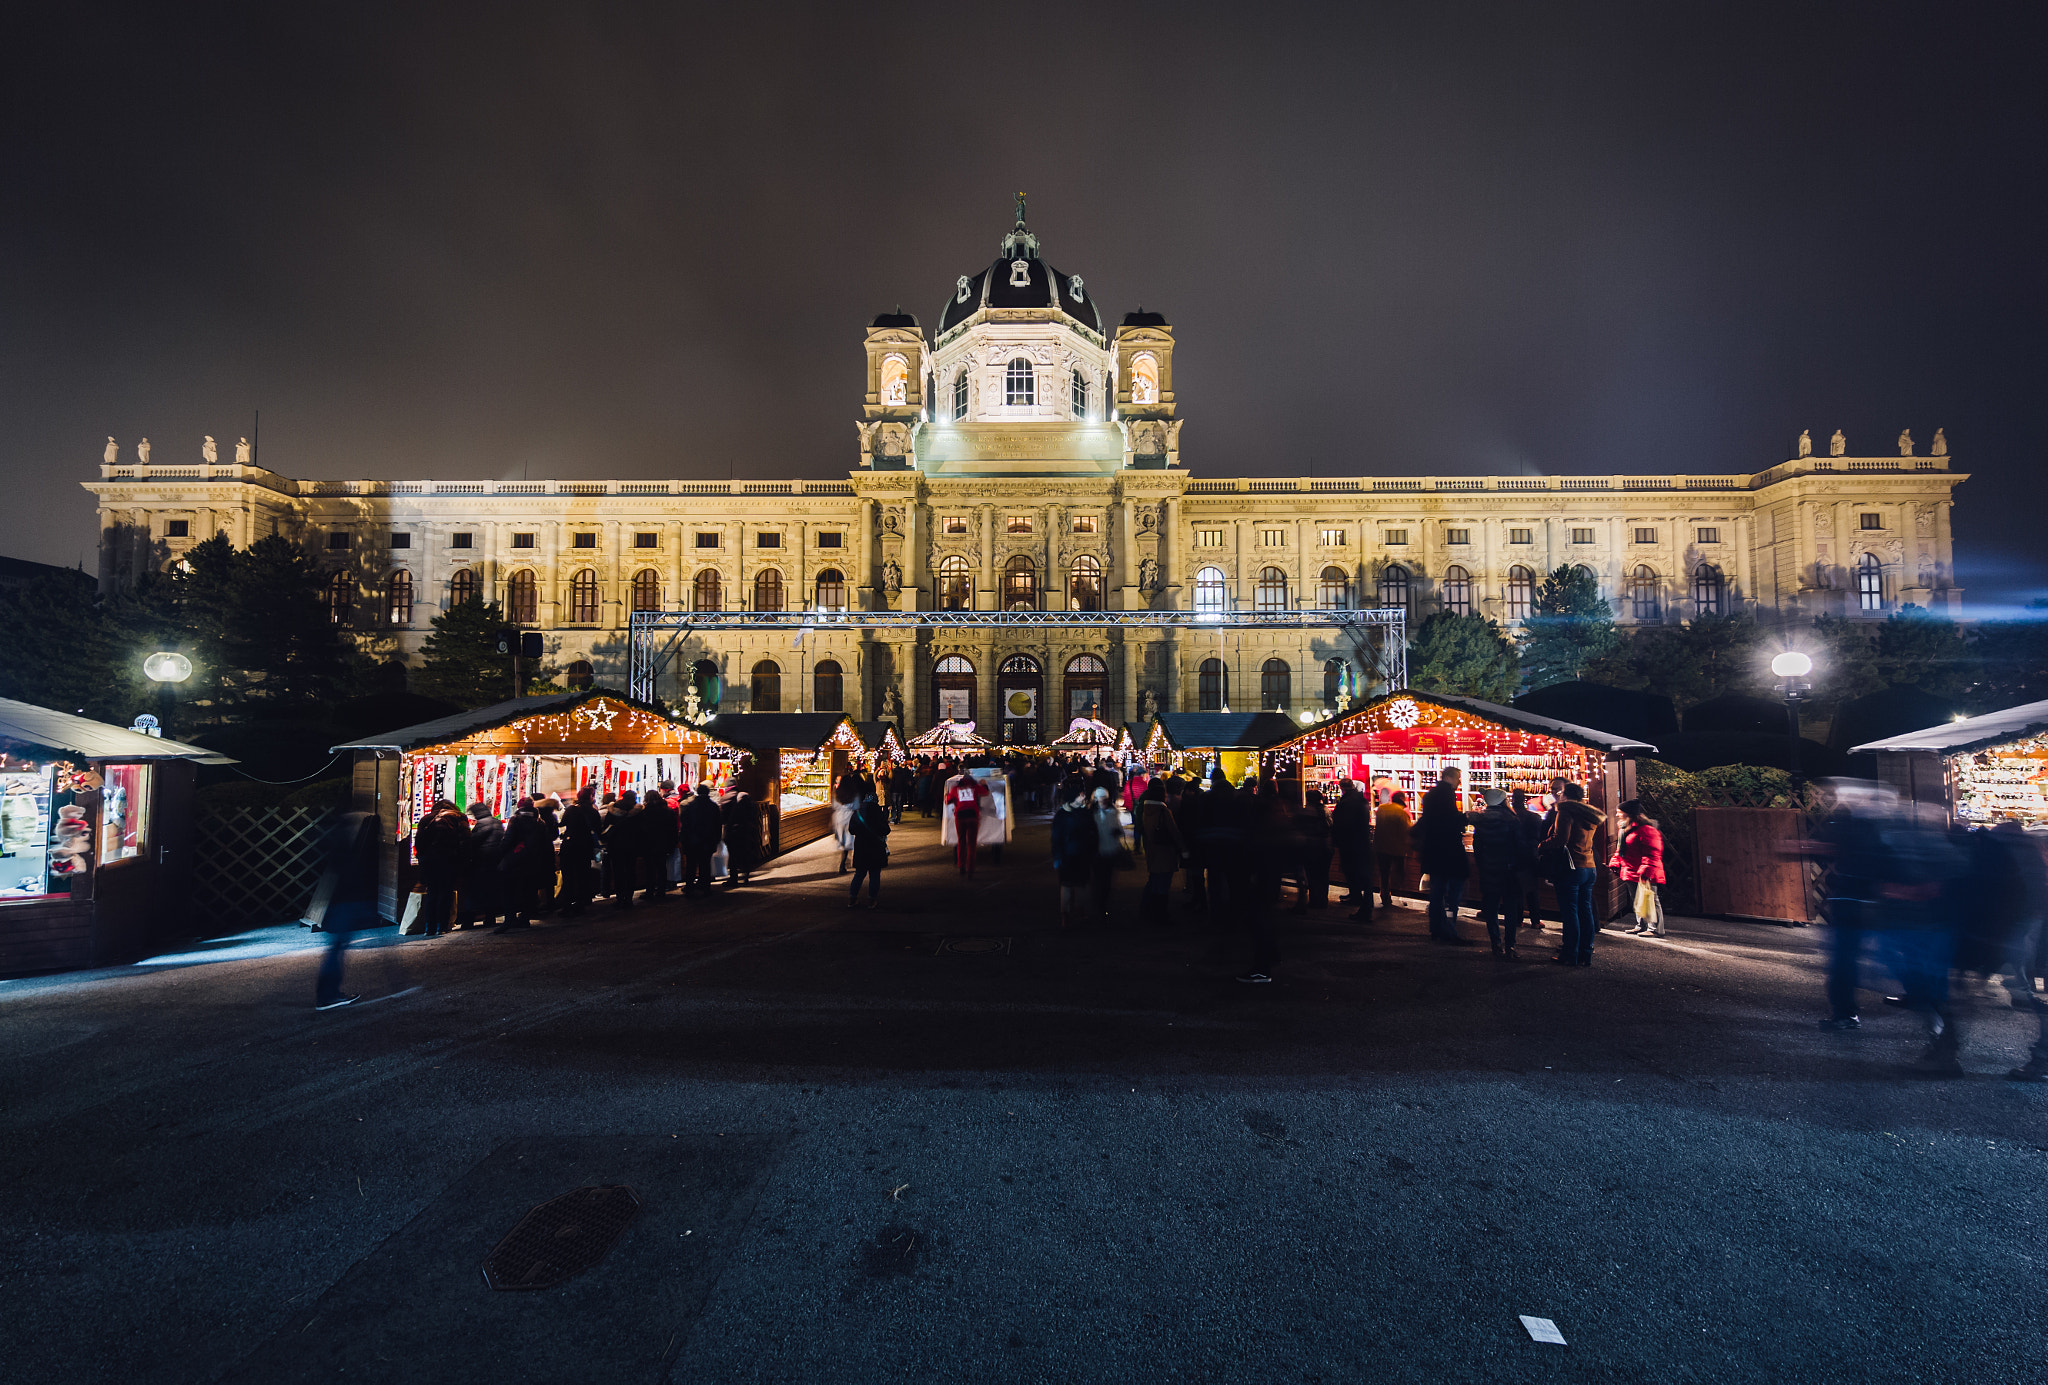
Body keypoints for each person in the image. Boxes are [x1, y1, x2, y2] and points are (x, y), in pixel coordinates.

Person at [315, 811, 378, 1009]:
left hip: (337, 901)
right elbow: (349, 874)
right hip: (344, 901)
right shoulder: (342, 844)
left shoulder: (331, 840)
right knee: (337, 949)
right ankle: (328, 995)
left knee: (336, 948)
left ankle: (328, 993)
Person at [1542, 782, 1604, 967]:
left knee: (1570, 912)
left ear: (1565, 795)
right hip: (1589, 866)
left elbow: (1561, 839)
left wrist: (1541, 845)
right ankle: (1585, 953)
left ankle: (1570, 953)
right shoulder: (1590, 814)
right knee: (1585, 911)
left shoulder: (1566, 811)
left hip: (1571, 867)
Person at [1471, 788, 1531, 958]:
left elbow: (1478, 848)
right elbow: (1520, 846)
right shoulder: (1512, 820)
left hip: (1489, 869)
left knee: (1491, 908)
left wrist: (1483, 865)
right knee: (1511, 909)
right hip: (1508, 869)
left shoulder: (1481, 821)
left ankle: (1496, 944)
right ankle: (1510, 945)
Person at [1415, 768, 1471, 944]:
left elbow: (1429, 821)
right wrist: (1466, 818)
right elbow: (1449, 820)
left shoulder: (1430, 795)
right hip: (1449, 854)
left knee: (1437, 894)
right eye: (1458, 778)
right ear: (1450, 777)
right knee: (1451, 897)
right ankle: (1449, 931)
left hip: (1433, 853)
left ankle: (1436, 929)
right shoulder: (1447, 794)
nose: (1459, 782)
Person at [494, 796, 554, 931]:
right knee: (528, 891)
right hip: (533, 862)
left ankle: (509, 919)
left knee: (509, 891)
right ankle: (525, 918)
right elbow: (545, 842)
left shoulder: (516, 820)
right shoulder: (540, 822)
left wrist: (500, 854)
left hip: (514, 861)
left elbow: (507, 840)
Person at [411, 799, 468, 938]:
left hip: (429, 862)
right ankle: (442, 926)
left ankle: (429, 927)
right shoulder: (458, 818)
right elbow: (465, 841)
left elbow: (418, 842)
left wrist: (423, 858)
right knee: (446, 893)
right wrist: (463, 860)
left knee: (432, 893)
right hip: (449, 860)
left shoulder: (426, 819)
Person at [1050, 777, 1098, 929]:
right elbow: (1056, 838)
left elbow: (1093, 832)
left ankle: (1080, 910)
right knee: (1068, 885)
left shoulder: (1082, 812)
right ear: (1074, 797)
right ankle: (1066, 913)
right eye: (1081, 794)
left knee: (1081, 884)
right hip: (1068, 855)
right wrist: (1057, 857)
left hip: (1081, 854)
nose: (1083, 796)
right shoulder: (1063, 815)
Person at [1613, 799, 1666, 937]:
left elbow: (1653, 852)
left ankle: (1655, 928)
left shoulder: (1647, 830)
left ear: (1628, 814)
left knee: (1651, 899)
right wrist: (1615, 861)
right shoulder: (1624, 827)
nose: (1617, 814)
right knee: (1637, 898)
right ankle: (1641, 925)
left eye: (1620, 812)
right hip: (1631, 869)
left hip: (1645, 871)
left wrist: (1646, 870)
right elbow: (1620, 848)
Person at [1137, 779, 1184, 927]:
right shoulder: (1164, 812)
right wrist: (1183, 849)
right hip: (1165, 852)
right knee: (1163, 883)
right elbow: (1174, 832)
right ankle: (1161, 913)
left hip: (1152, 850)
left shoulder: (1146, 810)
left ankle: (1149, 909)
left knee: (1155, 880)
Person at [1330, 778, 1374, 919]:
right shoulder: (1361, 800)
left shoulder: (1346, 802)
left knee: (1352, 871)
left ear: (1342, 787)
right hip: (1362, 841)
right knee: (1364, 874)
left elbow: (1339, 822)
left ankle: (1359, 900)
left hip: (1350, 842)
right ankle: (1364, 902)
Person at [458, 801, 506, 929]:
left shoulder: (482, 825)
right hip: (495, 863)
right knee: (491, 892)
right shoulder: (497, 823)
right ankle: (490, 919)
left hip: (480, 864)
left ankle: (468, 921)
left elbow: (472, 843)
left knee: (474, 893)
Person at [558, 784, 602, 914]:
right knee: (583, 875)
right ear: (591, 797)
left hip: (570, 846)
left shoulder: (571, 809)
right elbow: (598, 829)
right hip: (585, 846)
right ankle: (582, 902)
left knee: (568, 876)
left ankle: (567, 904)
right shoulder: (593, 811)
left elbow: (562, 824)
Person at [847, 787, 891, 908]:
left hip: (861, 846)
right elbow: (886, 830)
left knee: (859, 874)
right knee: (875, 874)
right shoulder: (879, 812)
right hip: (875, 847)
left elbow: (851, 830)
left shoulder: (857, 812)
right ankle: (872, 900)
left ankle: (852, 899)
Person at [638, 781, 681, 902]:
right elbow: (673, 829)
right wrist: (672, 843)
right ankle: (661, 890)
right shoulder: (667, 811)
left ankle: (650, 891)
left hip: (649, 845)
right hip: (663, 844)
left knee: (650, 869)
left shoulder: (645, 812)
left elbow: (641, 830)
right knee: (662, 867)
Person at [1510, 789, 1547, 929]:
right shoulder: (1535, 818)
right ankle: (1535, 920)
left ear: (1512, 800)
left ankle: (1518, 919)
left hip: (1515, 857)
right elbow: (1541, 836)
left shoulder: (1509, 817)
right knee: (1532, 889)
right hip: (1531, 855)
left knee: (1517, 890)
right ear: (1524, 800)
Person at [1291, 788, 1332, 913]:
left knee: (1312, 874)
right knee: (1324, 875)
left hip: (1312, 846)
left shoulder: (1307, 811)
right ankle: (1323, 900)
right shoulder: (1326, 810)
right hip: (1326, 846)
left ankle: (1315, 900)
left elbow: (1299, 827)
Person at [679, 783, 724, 896]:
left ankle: (689, 886)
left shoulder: (690, 806)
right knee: (705, 864)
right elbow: (718, 825)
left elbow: (685, 824)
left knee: (691, 865)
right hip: (707, 841)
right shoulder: (713, 807)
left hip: (692, 840)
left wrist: (684, 839)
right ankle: (705, 886)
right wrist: (716, 840)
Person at [1090, 785, 1126, 922]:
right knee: (1100, 879)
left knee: (1105, 880)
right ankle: (1100, 905)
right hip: (1098, 851)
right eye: (1100, 798)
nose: (1102, 800)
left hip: (1110, 850)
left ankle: (1102, 904)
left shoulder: (1112, 812)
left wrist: (1117, 832)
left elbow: (1119, 829)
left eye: (1104, 798)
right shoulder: (1093, 812)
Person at [946, 770, 990, 877]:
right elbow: (985, 792)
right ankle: (970, 868)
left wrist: (947, 796)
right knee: (971, 844)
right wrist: (984, 784)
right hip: (972, 816)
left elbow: (948, 801)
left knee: (961, 842)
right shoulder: (974, 787)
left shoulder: (956, 789)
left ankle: (961, 865)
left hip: (960, 816)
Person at [1375, 790, 1413, 911]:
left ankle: (1385, 895)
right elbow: (1406, 830)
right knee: (1399, 872)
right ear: (1402, 799)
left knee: (1384, 873)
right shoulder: (1401, 813)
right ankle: (1400, 895)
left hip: (1381, 846)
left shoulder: (1381, 809)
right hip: (1396, 848)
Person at [600, 790, 639, 904]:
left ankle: (620, 897)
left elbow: (606, 828)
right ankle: (629, 897)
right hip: (631, 846)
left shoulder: (613, 811)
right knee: (631, 871)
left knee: (618, 872)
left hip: (616, 846)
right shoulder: (637, 812)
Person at [724, 791, 762, 886]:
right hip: (748, 834)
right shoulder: (752, 807)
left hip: (736, 834)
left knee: (733, 857)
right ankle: (745, 877)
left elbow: (732, 820)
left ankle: (734, 879)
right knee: (746, 855)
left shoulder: (738, 807)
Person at [832, 772, 860, 873]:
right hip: (849, 817)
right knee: (849, 841)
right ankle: (844, 863)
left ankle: (844, 862)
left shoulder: (837, 793)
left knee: (843, 841)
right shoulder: (854, 793)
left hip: (839, 818)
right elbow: (856, 807)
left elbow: (834, 805)